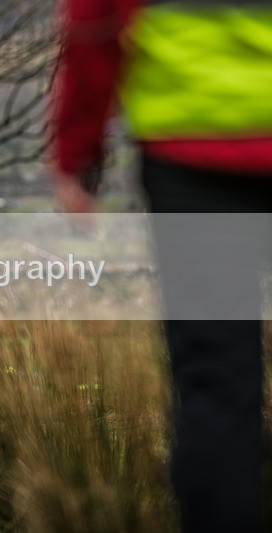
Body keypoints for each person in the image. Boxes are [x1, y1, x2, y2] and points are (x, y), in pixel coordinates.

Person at [51, 1, 272, 531]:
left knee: (215, 382)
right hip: (189, 155)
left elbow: (95, 19)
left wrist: (78, 148)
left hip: (192, 151)